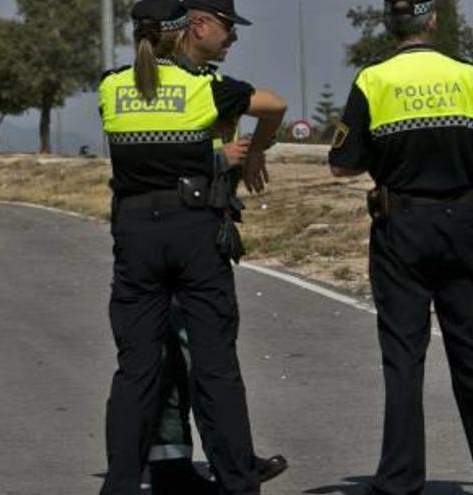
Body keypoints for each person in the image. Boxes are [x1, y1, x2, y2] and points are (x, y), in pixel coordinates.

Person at [328, 1, 473, 494]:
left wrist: (386, 157)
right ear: (433, 21)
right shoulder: (465, 76)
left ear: (389, 26)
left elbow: (342, 165)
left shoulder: (372, 81)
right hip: (462, 221)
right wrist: (471, 160)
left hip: (401, 225)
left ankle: (399, 477)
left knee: (403, 353)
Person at [97, 0, 286, 493]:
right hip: (193, 229)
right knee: (215, 365)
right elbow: (274, 105)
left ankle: (119, 483)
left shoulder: (110, 87)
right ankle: (238, 479)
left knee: (136, 369)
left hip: (135, 233)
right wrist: (240, 155)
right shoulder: (205, 88)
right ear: (185, 30)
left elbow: (145, 145)